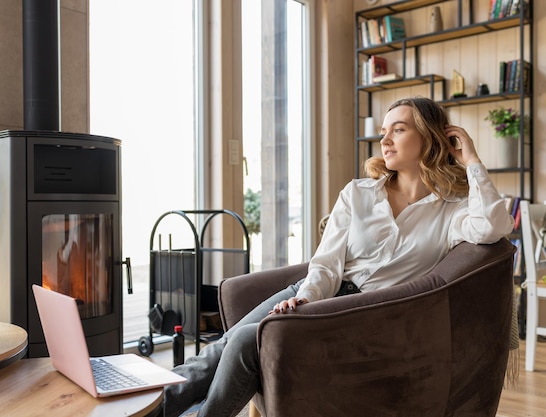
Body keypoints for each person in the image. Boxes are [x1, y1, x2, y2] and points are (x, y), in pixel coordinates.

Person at [163, 96, 514, 417]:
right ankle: (144, 404)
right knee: (224, 344)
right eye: (383, 132)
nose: (385, 139)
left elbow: (493, 228)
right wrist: (303, 299)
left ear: (430, 138)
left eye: (399, 129)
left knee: (242, 341)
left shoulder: (452, 211)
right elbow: (326, 263)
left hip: (356, 314)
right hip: (317, 291)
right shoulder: (358, 193)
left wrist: (470, 159)